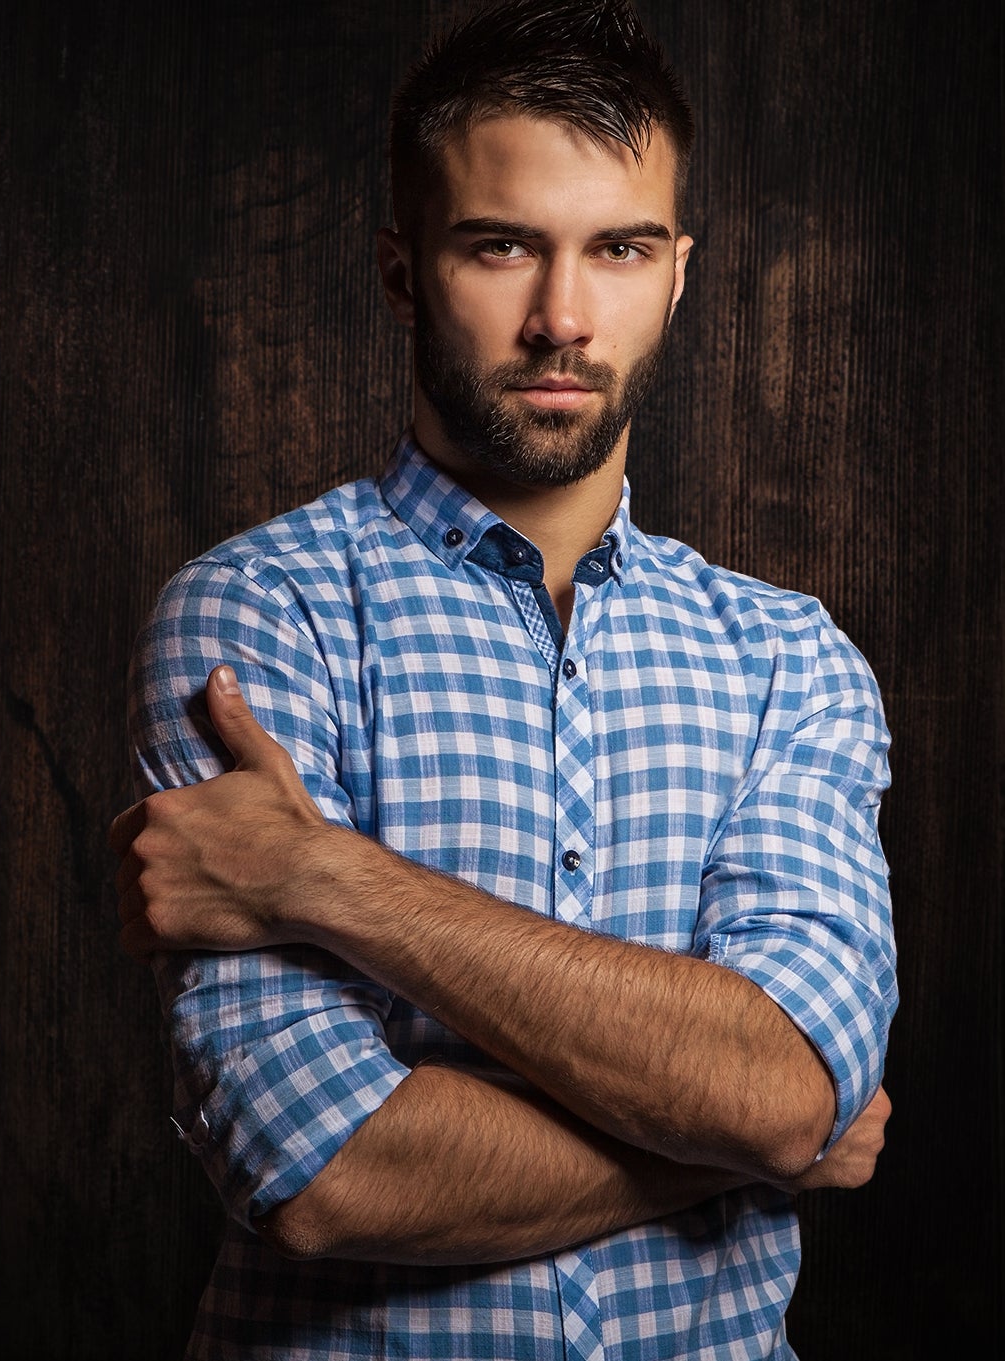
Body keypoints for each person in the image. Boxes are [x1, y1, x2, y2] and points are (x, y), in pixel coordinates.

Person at [110, 1, 897, 1355]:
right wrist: (749, 1143)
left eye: (620, 248)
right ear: (403, 265)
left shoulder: (790, 660)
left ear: (679, 270)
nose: (562, 318)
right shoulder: (260, 619)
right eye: (500, 246)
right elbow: (325, 1169)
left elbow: (785, 1083)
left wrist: (320, 877)